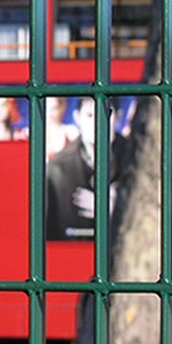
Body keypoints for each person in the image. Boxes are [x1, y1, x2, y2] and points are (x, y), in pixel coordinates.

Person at [45, 97, 126, 240]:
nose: (98, 122)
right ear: (77, 117)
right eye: (89, 115)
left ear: (118, 117)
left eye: (106, 113)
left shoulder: (135, 159)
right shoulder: (57, 170)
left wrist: (115, 207)